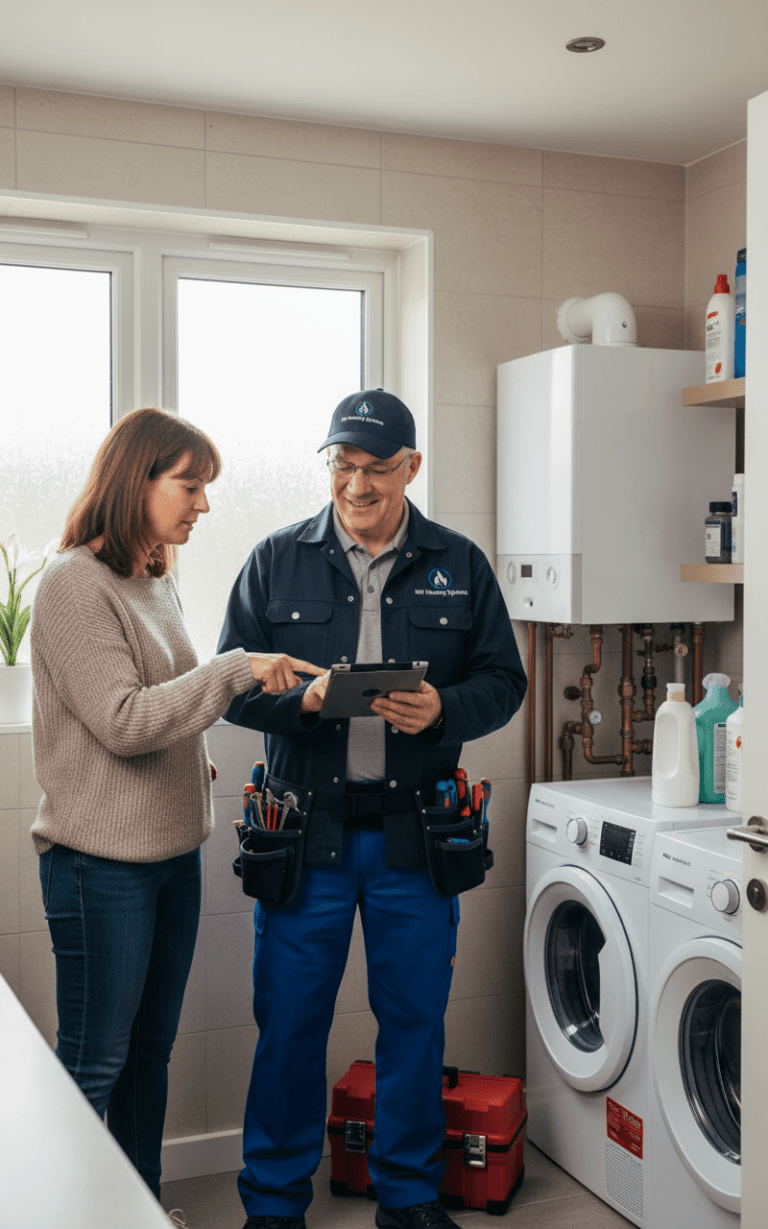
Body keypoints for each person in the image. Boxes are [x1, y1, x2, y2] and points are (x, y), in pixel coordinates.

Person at [217, 389, 527, 1229]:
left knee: (415, 1025)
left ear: (412, 468)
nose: (356, 485)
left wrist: (444, 712)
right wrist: (306, 705)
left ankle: (410, 1196)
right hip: (304, 840)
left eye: (376, 469)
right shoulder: (274, 560)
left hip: (414, 842)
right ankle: (274, 1204)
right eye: (342, 466)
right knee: (288, 1029)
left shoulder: (457, 563)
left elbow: (505, 680)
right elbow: (230, 689)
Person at [30, 407, 324, 1202]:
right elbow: (126, 721)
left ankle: (138, 1208)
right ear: (137, 480)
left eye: (205, 488)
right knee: (96, 1061)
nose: (202, 504)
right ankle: (63, 1218)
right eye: (189, 485)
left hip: (168, 857)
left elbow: (164, 699)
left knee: (149, 1053)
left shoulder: (150, 577)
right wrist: (233, 668)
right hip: (100, 869)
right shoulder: (71, 585)